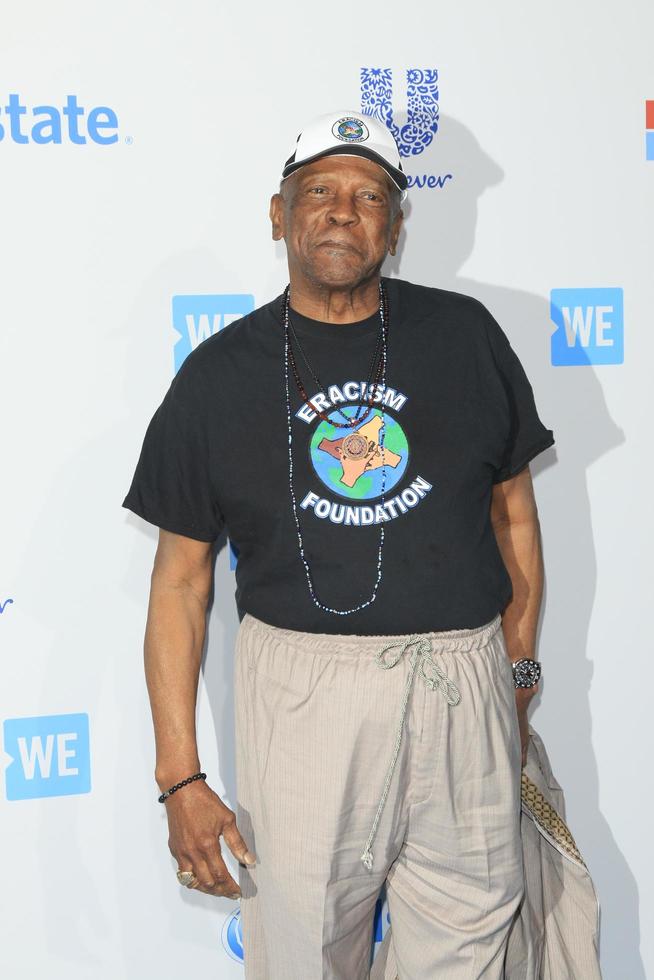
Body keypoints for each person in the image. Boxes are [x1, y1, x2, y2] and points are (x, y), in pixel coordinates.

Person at [122, 109, 554, 979]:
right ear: (277, 215)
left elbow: (514, 515)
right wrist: (180, 777)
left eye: (368, 196)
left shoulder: (465, 336)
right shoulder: (217, 376)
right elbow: (178, 587)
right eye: (317, 191)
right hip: (307, 697)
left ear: (395, 227)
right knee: (303, 946)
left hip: (463, 681)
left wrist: (515, 669)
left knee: (471, 940)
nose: (342, 212)